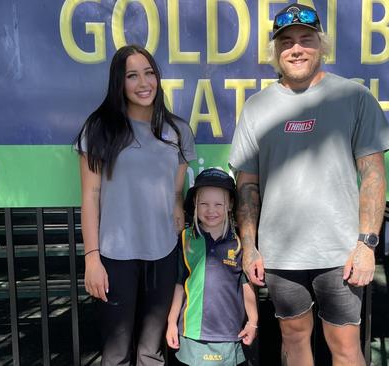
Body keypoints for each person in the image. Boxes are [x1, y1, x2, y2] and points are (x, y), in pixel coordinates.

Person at [228, 4, 389, 366]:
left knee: (346, 347)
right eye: (286, 42)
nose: (296, 48)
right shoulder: (257, 108)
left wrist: (367, 244)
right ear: (276, 52)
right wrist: (249, 247)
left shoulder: (354, 98)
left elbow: (373, 174)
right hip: (280, 254)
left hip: (341, 253)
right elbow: (247, 185)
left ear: (321, 45)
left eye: (306, 39)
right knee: (293, 339)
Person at [74, 45, 196, 365]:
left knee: (152, 352)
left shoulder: (178, 130)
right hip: (115, 256)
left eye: (149, 73)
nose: (144, 83)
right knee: (116, 353)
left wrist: (181, 252)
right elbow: (90, 197)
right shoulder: (99, 128)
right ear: (119, 83)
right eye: (132, 76)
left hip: (164, 254)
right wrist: (92, 259)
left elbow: (175, 196)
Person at [166, 168, 258, 366]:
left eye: (218, 204)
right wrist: (172, 323)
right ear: (195, 205)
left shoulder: (240, 243)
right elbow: (179, 285)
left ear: (230, 205)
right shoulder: (186, 240)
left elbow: (246, 286)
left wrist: (253, 321)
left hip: (230, 333)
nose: (211, 210)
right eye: (204, 204)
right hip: (192, 333)